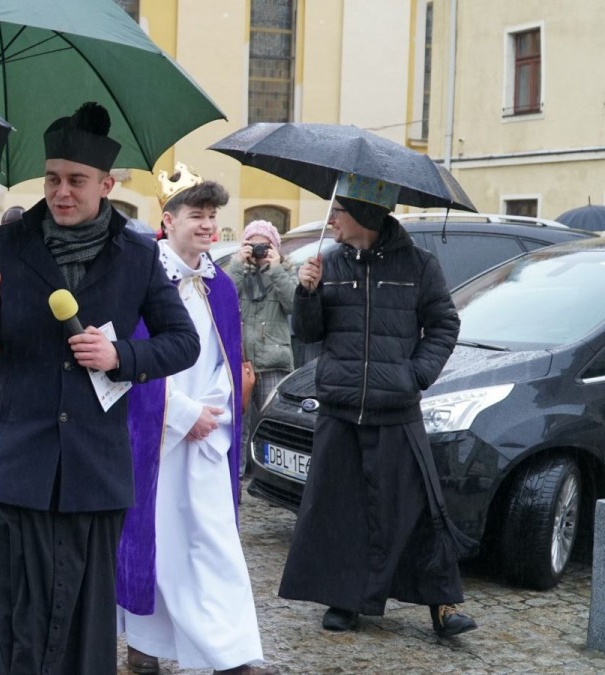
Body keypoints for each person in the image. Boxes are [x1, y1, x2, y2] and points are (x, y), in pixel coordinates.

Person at [0, 102, 200, 674]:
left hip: (93, 469)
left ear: (107, 184)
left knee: (82, 628)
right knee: (15, 621)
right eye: (53, 179)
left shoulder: (138, 253)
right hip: (15, 465)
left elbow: (181, 341)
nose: (62, 192)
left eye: (76, 182)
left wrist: (122, 356)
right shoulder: (7, 244)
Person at [278, 173, 477, 638]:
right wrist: (306, 293)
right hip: (341, 411)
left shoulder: (420, 266)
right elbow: (308, 334)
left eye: (339, 213)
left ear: (365, 215)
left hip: (396, 410)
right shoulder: (327, 262)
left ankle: (442, 605)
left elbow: (445, 325)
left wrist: (416, 375)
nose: (332, 220)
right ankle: (345, 602)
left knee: (416, 510)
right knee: (341, 509)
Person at [117, 166, 271, 675]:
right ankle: (144, 643)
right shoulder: (142, 277)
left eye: (212, 217)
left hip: (208, 440)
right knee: (158, 546)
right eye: (196, 216)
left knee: (212, 545)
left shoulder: (220, 284)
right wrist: (182, 415)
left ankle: (232, 654)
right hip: (159, 440)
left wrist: (214, 414)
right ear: (168, 220)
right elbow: (135, 359)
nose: (207, 226)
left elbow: (226, 360)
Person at [226, 219, 296, 471]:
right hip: (240, 361)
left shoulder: (285, 271)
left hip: (273, 361)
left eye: (263, 245)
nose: (258, 251)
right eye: (252, 245)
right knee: (237, 427)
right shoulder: (236, 271)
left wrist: (275, 269)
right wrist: (236, 264)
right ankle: (236, 479)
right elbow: (222, 302)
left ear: (275, 247)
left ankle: (270, 478)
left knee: (272, 427)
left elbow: (294, 305)